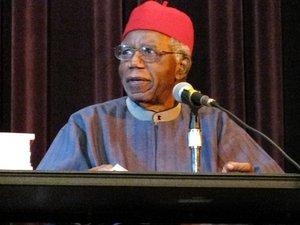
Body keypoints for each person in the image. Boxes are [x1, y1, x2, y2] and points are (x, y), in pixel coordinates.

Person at [37, 0, 283, 174]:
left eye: (148, 51)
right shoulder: (87, 124)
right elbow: (41, 197)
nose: (133, 62)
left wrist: (242, 187)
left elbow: (276, 192)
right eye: (126, 52)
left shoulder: (213, 123)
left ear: (180, 66)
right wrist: (84, 188)